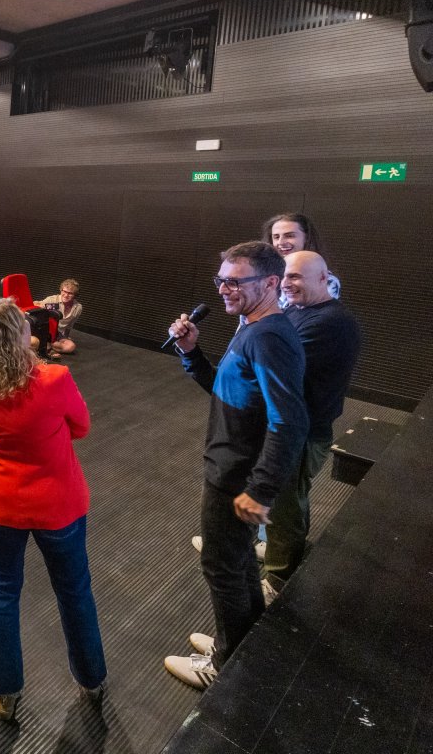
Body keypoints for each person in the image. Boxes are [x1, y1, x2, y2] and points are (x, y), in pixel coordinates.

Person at [163, 241, 308, 690]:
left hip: (236, 475)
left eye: (234, 281)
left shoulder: (267, 337)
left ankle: (226, 667)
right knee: (238, 561)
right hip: (234, 467)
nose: (223, 289)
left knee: (221, 565)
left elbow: (289, 421)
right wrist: (192, 353)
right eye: (220, 280)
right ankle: (243, 643)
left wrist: (259, 490)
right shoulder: (252, 328)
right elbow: (230, 393)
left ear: (269, 283)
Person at [0, 300, 107, 720]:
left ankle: (5, 692)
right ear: (18, 337)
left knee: (2, 591)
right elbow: (81, 427)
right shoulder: (53, 379)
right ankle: (91, 680)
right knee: (74, 589)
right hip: (56, 503)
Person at [259, 251, 360, 596]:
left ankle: (278, 580)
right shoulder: (296, 310)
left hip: (302, 434)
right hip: (286, 426)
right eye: (285, 276)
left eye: (296, 277)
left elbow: (274, 364)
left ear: (323, 278)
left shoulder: (332, 322)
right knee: (278, 498)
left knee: (286, 506)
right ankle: (276, 552)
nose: (287, 284)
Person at [262, 213, 341, 306]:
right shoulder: (264, 274)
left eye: (289, 236)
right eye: (276, 237)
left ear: (307, 238)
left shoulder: (327, 281)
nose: (280, 242)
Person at [41, 279, 82, 356]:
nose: (66, 295)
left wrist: (65, 337)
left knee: (71, 347)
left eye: (70, 293)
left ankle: (46, 345)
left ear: (75, 295)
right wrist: (43, 306)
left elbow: (69, 325)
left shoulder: (78, 308)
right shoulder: (53, 300)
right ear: (61, 290)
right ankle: (46, 345)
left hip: (57, 333)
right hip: (45, 330)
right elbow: (36, 305)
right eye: (64, 291)